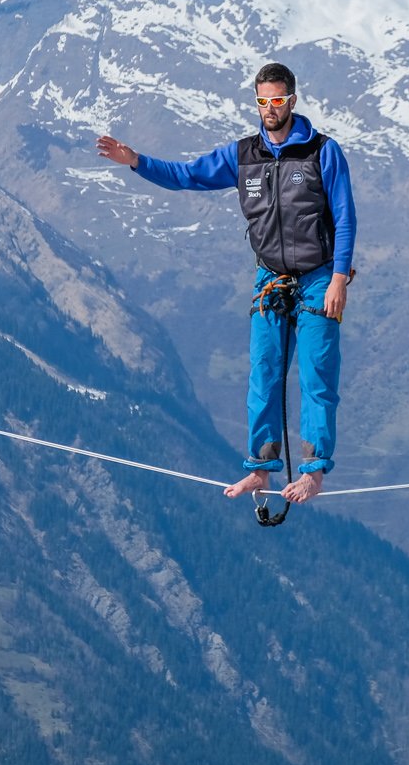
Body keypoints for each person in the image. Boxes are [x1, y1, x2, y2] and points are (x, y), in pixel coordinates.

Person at [96, 62, 355, 505]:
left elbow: (346, 217)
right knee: (264, 374)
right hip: (270, 279)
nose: (269, 109)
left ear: (292, 100)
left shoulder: (321, 153)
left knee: (316, 376)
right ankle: (260, 469)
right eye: (262, 101)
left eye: (277, 100)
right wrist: (136, 162)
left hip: (318, 279)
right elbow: (187, 176)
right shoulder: (243, 156)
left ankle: (313, 472)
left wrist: (339, 279)